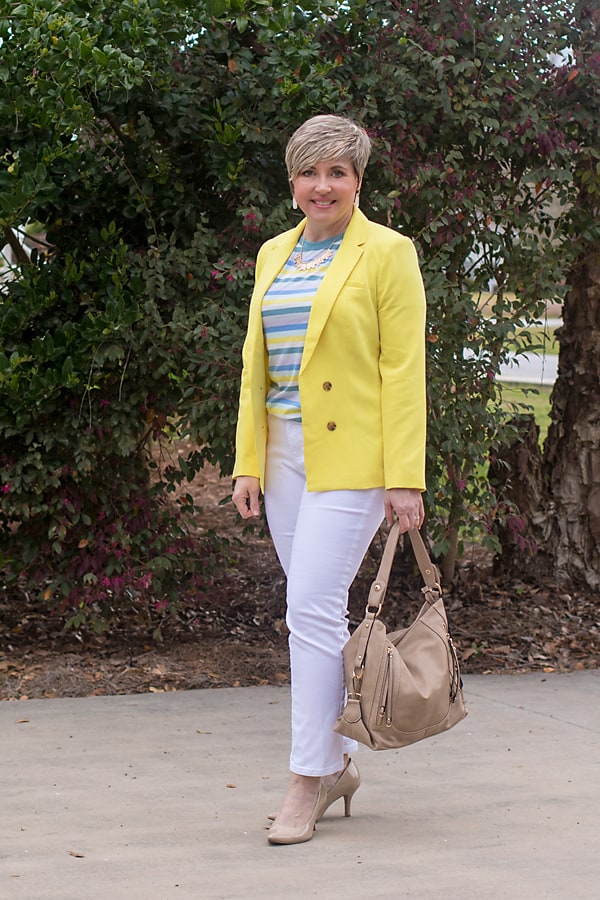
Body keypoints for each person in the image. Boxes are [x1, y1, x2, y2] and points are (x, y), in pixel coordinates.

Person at [232, 114, 427, 845]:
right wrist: (248, 459)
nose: (323, 186)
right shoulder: (272, 254)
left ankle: (305, 782)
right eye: (310, 173)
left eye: (337, 173)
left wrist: (404, 477)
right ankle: (337, 760)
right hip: (282, 457)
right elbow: (258, 367)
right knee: (315, 616)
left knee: (310, 607)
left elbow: (404, 370)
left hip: (355, 461)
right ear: (293, 183)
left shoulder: (387, 253)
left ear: (358, 181)